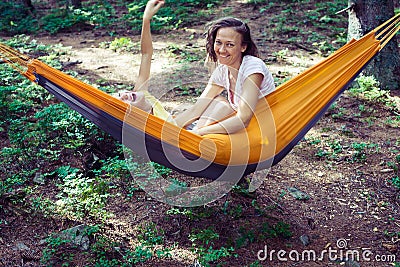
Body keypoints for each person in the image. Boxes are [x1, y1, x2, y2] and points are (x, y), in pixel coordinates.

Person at [120, 1, 275, 135]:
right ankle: (191, 138)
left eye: (229, 44)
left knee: (221, 105)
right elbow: (197, 109)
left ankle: (193, 137)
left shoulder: (252, 66)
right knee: (220, 102)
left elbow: (244, 117)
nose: (221, 50)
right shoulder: (222, 71)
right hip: (238, 128)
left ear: (243, 47)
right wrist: (181, 133)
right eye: (218, 42)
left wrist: (198, 133)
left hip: (261, 127)